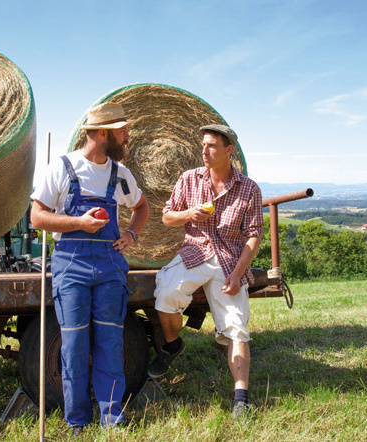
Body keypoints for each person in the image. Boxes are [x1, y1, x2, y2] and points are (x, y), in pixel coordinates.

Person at [30, 102, 149, 432]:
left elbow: (141, 207)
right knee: (74, 345)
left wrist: (131, 234)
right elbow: (37, 216)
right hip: (71, 264)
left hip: (111, 265)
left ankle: (113, 419)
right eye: (122, 130)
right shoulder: (62, 168)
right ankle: (78, 422)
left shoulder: (120, 175)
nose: (128, 136)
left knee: (110, 342)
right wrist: (77, 222)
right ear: (101, 133)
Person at [148, 124, 263, 420]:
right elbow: (167, 217)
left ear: (229, 151)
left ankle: (241, 399)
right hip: (194, 252)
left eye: (211, 145)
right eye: (203, 145)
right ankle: (173, 345)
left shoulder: (248, 188)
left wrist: (238, 274)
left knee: (237, 327)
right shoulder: (189, 179)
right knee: (166, 294)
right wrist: (189, 214)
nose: (204, 150)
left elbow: (254, 235)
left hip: (229, 261)